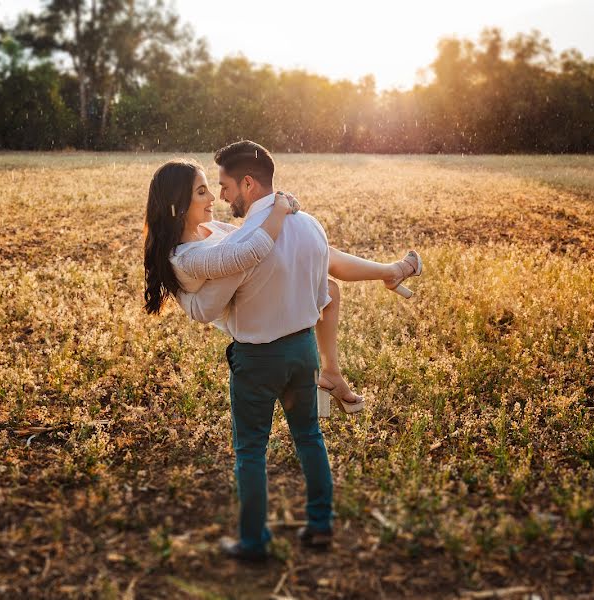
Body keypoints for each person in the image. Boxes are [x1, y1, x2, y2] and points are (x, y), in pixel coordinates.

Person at [142, 141, 422, 560]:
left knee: (251, 451)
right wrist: (383, 270)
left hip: (257, 359)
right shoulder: (306, 223)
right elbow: (327, 269)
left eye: (221, 186)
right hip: (303, 351)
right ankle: (322, 526)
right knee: (309, 437)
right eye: (206, 189)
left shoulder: (240, 242)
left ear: (247, 184)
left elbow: (218, 293)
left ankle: (254, 543)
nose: (219, 196)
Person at [144, 158, 422, 412]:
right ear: (178, 203)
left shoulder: (209, 228)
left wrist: (284, 215)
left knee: (326, 284)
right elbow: (247, 252)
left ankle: (332, 372)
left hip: (247, 290)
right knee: (307, 257)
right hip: (245, 314)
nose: (214, 197)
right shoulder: (188, 257)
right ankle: (391, 273)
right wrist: (278, 209)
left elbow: (247, 237)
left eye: (211, 188)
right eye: (202, 191)